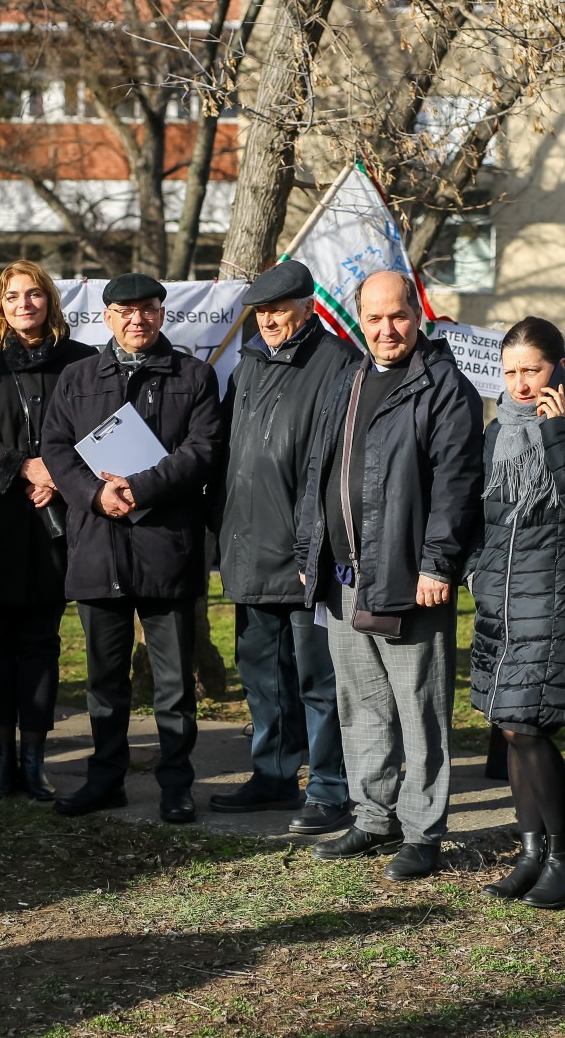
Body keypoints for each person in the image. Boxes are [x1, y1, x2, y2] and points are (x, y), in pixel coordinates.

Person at [293, 270, 483, 881]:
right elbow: (318, 470)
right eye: (373, 318)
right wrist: (309, 553)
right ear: (360, 320)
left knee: (420, 708)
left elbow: (457, 484)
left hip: (409, 576)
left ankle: (422, 831)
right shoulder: (347, 379)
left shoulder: (444, 386)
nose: (386, 329)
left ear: (417, 315)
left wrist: (437, 562)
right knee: (361, 704)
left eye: (397, 316)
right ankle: (373, 817)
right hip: (343, 576)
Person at [40, 272, 223, 824]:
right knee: (104, 680)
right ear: (107, 317)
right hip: (98, 546)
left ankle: (176, 784)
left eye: (147, 309)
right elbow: (55, 448)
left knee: (173, 683)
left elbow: (203, 449)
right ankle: (105, 780)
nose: (136, 319)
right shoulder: (77, 377)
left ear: (162, 314)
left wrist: (140, 487)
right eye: (125, 311)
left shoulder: (194, 375)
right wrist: (95, 495)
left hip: (166, 547)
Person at [211, 260, 360, 833]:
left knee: (319, 680)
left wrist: (314, 548)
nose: (268, 321)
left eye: (279, 310)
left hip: (306, 555)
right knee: (262, 675)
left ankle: (329, 788)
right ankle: (273, 776)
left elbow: (335, 467)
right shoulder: (248, 363)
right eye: (261, 312)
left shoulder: (338, 363)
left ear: (308, 307)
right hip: (249, 548)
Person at [0, 260, 96, 800]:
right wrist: (20, 466)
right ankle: (2, 758)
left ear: (49, 299)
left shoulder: (82, 360)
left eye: (33, 294)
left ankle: (34, 759)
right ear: (0, 306)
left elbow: (99, 433)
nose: (23, 304)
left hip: (55, 524)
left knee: (41, 642)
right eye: (12, 296)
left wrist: (59, 476)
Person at [470, 318, 565, 908]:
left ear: (560, 367)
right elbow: (481, 513)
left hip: (553, 597)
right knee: (508, 727)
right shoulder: (497, 430)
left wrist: (558, 433)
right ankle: (531, 853)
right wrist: (476, 571)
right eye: (511, 372)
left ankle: (564, 860)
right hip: (499, 597)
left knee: (528, 726)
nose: (521, 384)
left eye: (533, 370)